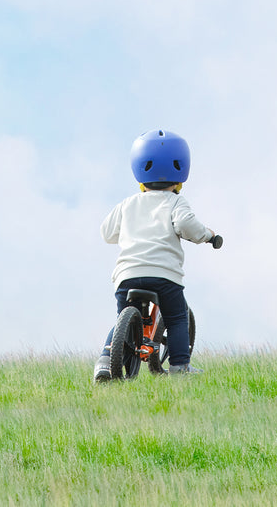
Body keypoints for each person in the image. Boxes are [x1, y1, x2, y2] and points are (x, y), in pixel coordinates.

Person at [94, 129, 222, 382]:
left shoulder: (128, 204)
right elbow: (186, 225)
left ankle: (105, 362)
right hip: (164, 275)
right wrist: (208, 235)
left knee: (122, 318)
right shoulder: (176, 202)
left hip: (128, 274)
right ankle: (180, 366)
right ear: (181, 174)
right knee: (176, 317)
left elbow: (107, 233)